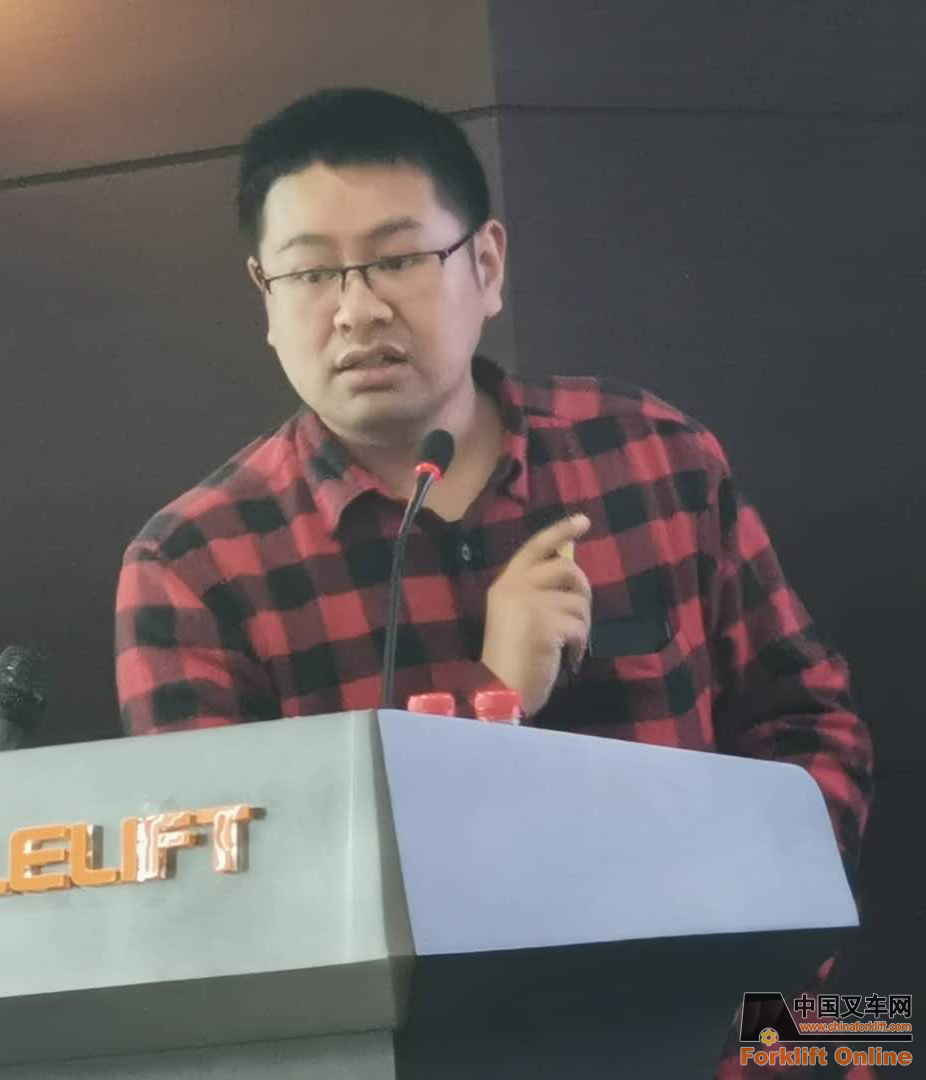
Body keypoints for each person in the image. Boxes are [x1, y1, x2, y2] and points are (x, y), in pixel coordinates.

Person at [113, 88, 872, 1078]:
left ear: (487, 265)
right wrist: (491, 699)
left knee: (866, 1033)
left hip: (735, 1017)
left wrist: (753, 946)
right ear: (265, 295)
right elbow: (227, 904)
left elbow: (812, 719)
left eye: (397, 259)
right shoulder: (191, 564)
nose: (357, 307)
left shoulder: (655, 451)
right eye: (311, 272)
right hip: (427, 1056)